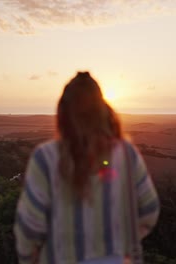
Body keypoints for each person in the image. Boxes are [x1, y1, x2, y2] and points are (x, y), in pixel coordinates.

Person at [14, 72, 160, 263]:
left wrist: (28, 259)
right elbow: (149, 208)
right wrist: (118, 243)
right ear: (101, 111)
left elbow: (30, 226)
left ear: (63, 114)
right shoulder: (126, 154)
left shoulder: (45, 158)